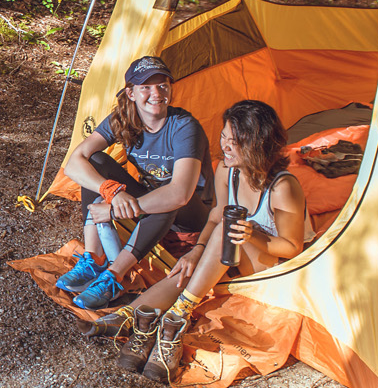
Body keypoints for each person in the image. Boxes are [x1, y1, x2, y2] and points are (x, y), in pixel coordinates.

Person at [85, 99, 313, 384]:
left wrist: (252, 234)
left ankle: (176, 313)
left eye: (234, 141)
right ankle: (137, 317)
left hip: (273, 267)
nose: (225, 146)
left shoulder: (283, 187)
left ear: (258, 144)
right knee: (189, 264)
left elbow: (293, 249)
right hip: (232, 253)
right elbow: (216, 217)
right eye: (224, 137)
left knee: (226, 233)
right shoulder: (227, 170)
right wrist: (196, 252)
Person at [54, 56, 212, 310]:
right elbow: (75, 162)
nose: (157, 93)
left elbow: (181, 194)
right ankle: (94, 258)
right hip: (149, 206)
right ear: (131, 92)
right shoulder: (124, 119)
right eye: (146, 87)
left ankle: (115, 277)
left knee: (167, 196)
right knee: (94, 162)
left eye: (163, 85)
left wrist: (113, 209)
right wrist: (111, 191)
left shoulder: (184, 127)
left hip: (192, 217)